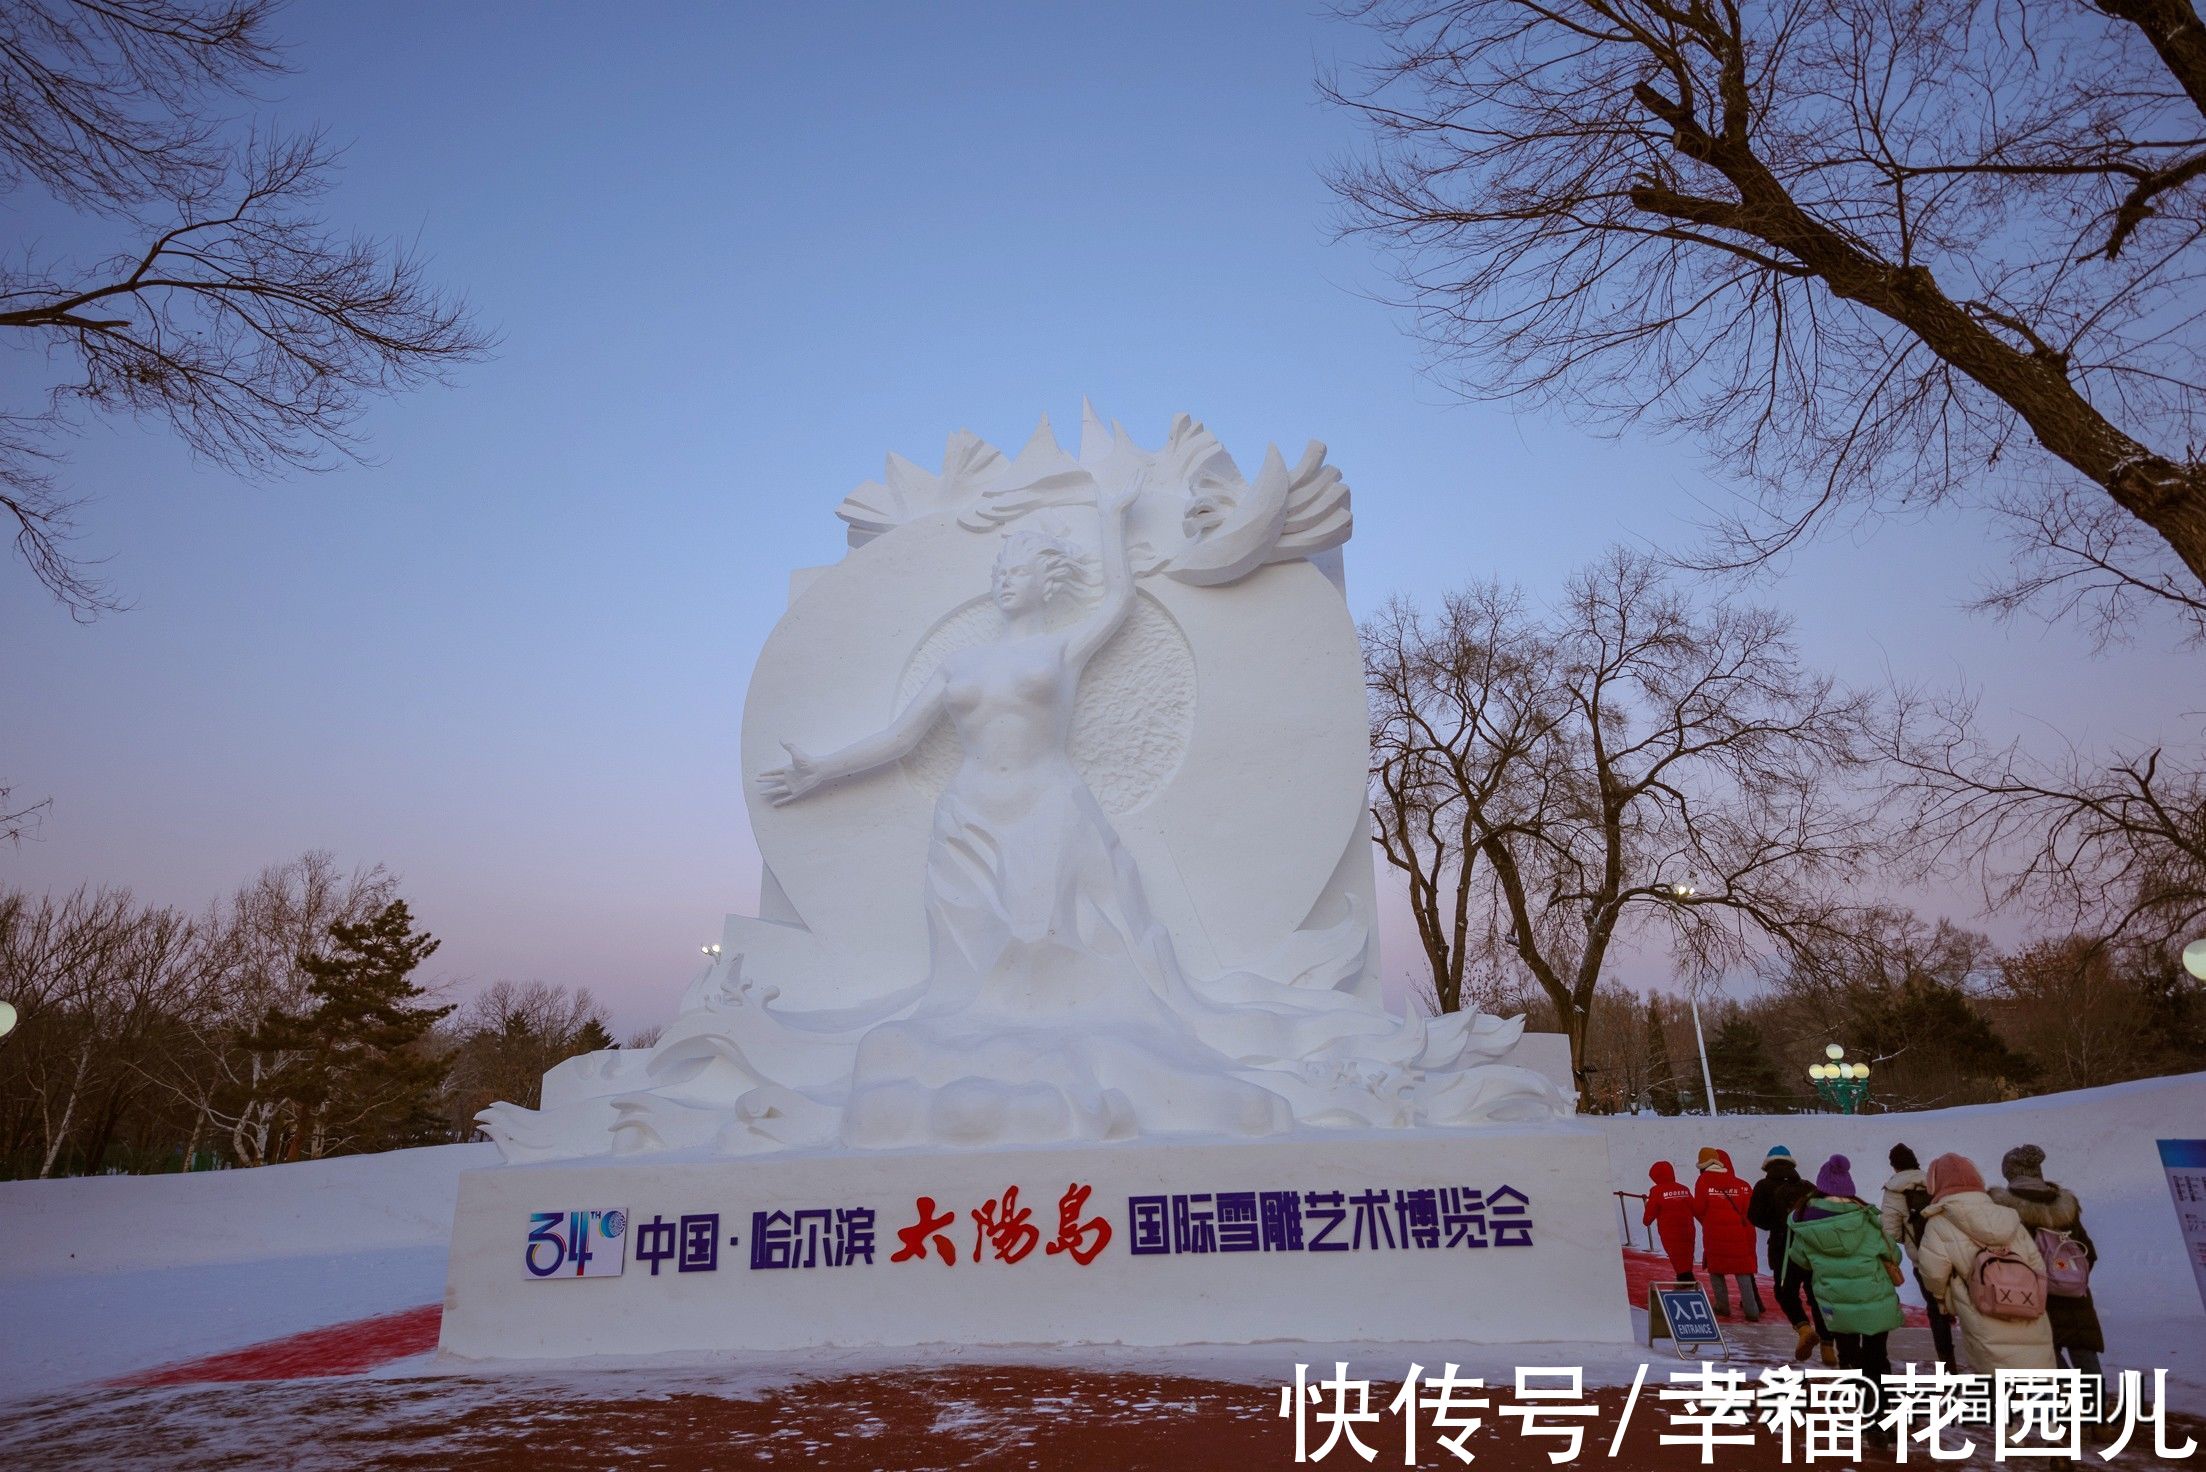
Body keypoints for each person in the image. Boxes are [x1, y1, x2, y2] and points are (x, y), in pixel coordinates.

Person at [1786, 1153, 1904, 1445]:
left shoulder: (1805, 1222)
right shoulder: (1867, 1219)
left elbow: (1799, 1260)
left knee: (1849, 1354)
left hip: (1835, 1303)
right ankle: (1880, 1418)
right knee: (1878, 1357)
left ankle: (1863, 1406)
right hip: (1875, 1298)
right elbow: (1894, 1254)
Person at [1915, 1152, 2058, 1372]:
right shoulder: (2007, 1216)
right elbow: (2036, 1264)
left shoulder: (1938, 1222)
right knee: (2035, 1378)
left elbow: (1934, 1273)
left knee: (1993, 1373)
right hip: (2028, 1305)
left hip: (1979, 1306)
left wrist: (1943, 1300)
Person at [1988, 1144, 2104, 1385]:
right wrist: (2068, 1278)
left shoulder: (2004, 1209)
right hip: (2075, 1293)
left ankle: (2070, 1401)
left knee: (2046, 1351)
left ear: (2010, 1174)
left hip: (2034, 1297)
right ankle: (2097, 1411)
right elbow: (2088, 1252)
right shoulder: (2066, 1205)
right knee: (2083, 1347)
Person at [1749, 1144, 1833, 1364]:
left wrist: (1776, 1223)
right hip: (1811, 1248)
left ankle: (1803, 1328)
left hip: (1783, 1249)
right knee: (1816, 1294)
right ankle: (1827, 1346)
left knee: (1785, 1291)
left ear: (1768, 1165)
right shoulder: (1807, 1186)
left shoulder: (1763, 1186)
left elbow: (1756, 1218)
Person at [1879, 1142, 1956, 1368]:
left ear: (1894, 1167)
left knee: (1935, 1309)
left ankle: (1947, 1360)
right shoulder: (1934, 1182)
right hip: (1952, 1253)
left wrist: (1909, 1237)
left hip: (1923, 1259)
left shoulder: (1894, 1191)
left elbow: (1890, 1232)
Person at [1692, 1146, 1761, 1320]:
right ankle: (1752, 1311)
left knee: (1716, 1270)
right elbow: (1749, 1210)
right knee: (1742, 1271)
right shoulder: (1739, 1183)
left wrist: (1707, 1220)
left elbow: (1699, 1208)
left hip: (1714, 1234)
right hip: (1737, 1234)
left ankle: (1723, 1306)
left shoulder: (1703, 1182)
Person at [1644, 1160, 1698, 1283]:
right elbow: (1696, 1209)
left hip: (1669, 1231)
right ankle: (1687, 1278)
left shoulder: (1656, 1191)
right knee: (1687, 1255)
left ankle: (1684, 1281)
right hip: (1687, 1229)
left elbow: (1648, 1217)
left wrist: (1647, 1215)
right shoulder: (1684, 1189)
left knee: (1677, 1257)